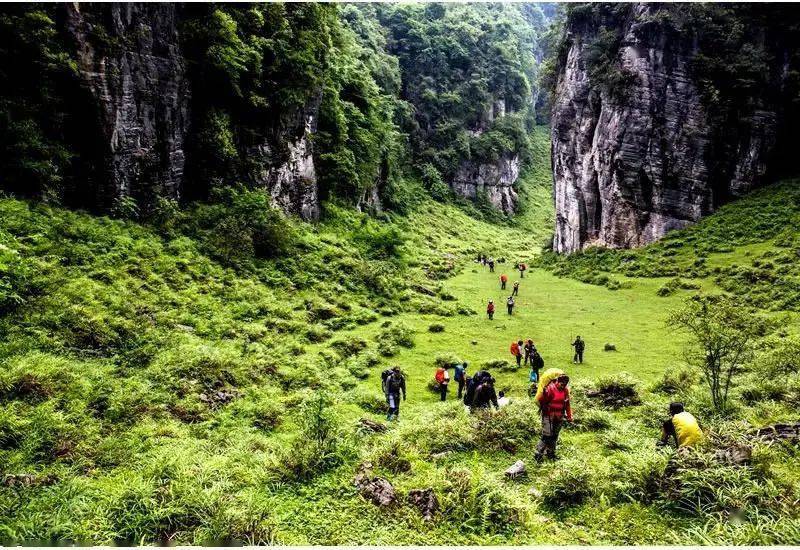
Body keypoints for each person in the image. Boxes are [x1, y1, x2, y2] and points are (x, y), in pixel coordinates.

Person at [535, 374, 572, 461]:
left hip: (559, 416)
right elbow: (542, 401)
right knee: (546, 435)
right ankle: (538, 454)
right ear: (557, 382)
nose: (563, 386)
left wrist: (569, 416)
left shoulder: (565, 391)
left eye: (565, 385)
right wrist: (544, 394)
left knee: (555, 436)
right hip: (548, 415)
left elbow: (567, 404)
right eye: (561, 384)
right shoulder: (550, 388)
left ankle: (551, 453)